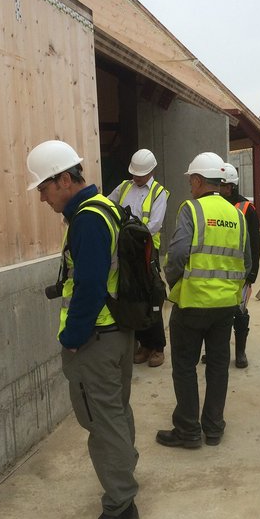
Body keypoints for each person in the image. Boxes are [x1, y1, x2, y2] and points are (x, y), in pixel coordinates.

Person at [26, 140, 139, 519]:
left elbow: (89, 288)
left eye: (42, 187)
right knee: (115, 412)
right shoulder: (107, 207)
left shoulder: (87, 220)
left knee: (101, 422)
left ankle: (120, 508)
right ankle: (125, 476)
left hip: (96, 340)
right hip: (117, 334)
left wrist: (72, 341)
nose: (41, 196)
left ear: (62, 180)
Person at [156, 152, 251, 449]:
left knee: (184, 366)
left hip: (193, 302)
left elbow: (178, 255)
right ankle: (213, 427)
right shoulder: (237, 214)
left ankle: (188, 430)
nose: (190, 186)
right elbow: (246, 262)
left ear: (198, 180)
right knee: (218, 365)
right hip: (225, 307)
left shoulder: (191, 210)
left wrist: (175, 282)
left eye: (190, 181)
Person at [107, 148, 169, 368]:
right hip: (126, 251)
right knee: (133, 297)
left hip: (146, 251)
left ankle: (158, 346)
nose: (136, 177)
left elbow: (155, 224)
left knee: (151, 296)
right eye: (134, 173)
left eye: (140, 174)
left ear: (151, 171)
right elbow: (108, 206)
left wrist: (131, 234)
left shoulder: (159, 193)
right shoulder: (124, 187)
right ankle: (144, 343)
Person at [219, 163, 260, 367]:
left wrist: (252, 274)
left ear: (232, 186)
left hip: (241, 272)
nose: (219, 188)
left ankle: (240, 352)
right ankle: (216, 351)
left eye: (223, 185)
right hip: (219, 269)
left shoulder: (246, 208)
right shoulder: (215, 205)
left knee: (240, 312)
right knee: (218, 314)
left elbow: (255, 244)